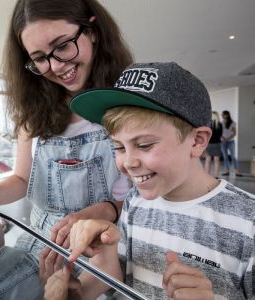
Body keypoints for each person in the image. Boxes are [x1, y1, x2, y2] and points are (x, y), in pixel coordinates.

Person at [0, 0, 133, 298]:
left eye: (63, 45)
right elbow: (22, 180)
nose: (56, 67)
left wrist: (105, 210)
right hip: (38, 246)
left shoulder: (129, 107)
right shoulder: (35, 114)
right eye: (40, 58)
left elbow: (140, 197)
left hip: (101, 250)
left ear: (93, 31)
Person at [45, 62, 255, 299]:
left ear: (197, 141)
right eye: (118, 147)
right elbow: (121, 274)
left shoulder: (248, 221)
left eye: (144, 145)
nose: (128, 162)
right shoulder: (135, 200)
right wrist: (78, 292)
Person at [221, 110, 243, 176]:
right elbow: (220, 132)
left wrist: (227, 139)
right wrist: (223, 138)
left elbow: (234, 133)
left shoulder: (232, 123)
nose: (221, 115)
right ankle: (227, 171)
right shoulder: (221, 123)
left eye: (223, 114)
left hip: (231, 142)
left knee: (233, 156)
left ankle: (237, 171)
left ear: (227, 115)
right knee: (225, 157)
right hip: (223, 142)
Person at [204, 111, 223, 178]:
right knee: (216, 160)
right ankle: (216, 176)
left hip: (208, 144)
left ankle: (207, 175)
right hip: (217, 144)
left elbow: (205, 134)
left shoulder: (207, 124)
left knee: (208, 160)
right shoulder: (220, 125)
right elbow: (220, 135)